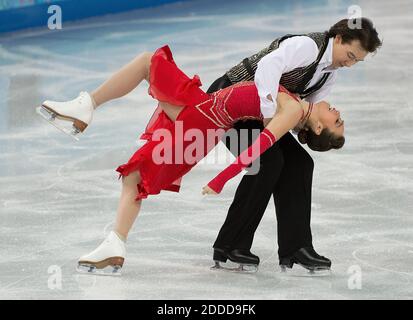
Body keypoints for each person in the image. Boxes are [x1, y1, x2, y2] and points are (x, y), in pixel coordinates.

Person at [37, 45, 344, 275]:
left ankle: (85, 107)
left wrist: (218, 180)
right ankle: (115, 245)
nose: (337, 113)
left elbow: (256, 150)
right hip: (202, 107)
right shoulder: (293, 99)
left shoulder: (290, 111)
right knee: (135, 174)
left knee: (148, 62)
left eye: (336, 120)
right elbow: (270, 64)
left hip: (201, 119)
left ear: (318, 127)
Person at [205, 17, 381, 272]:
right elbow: (268, 66)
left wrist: (318, 133)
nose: (350, 63)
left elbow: (303, 114)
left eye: (357, 61)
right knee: (268, 161)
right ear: (339, 39)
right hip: (227, 105)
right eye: (350, 55)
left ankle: (296, 247)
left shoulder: (327, 76)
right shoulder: (308, 47)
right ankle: (230, 244)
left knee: (300, 163)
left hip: (258, 115)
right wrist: (268, 115)